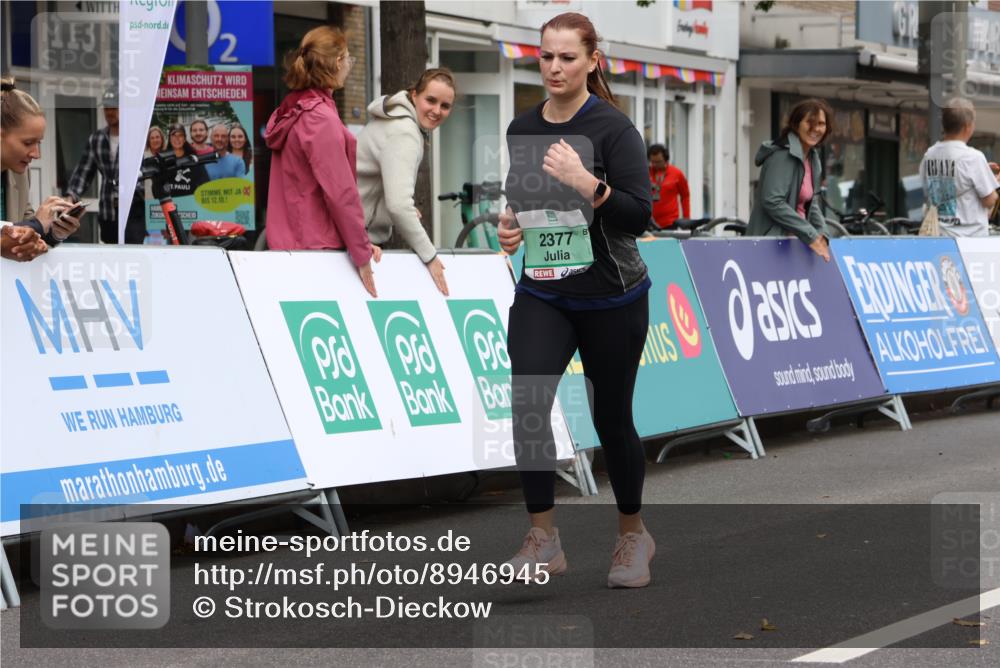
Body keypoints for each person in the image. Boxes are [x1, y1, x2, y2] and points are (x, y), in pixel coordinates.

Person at [496, 12, 655, 588]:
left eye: (567, 57)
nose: (555, 67)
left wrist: (588, 182)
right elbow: (526, 205)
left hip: (612, 294)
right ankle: (544, 538)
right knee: (527, 402)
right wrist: (509, 226)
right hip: (545, 289)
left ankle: (633, 537)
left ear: (592, 60)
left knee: (611, 417)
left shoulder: (614, 130)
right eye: (546, 56)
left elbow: (640, 216)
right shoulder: (521, 128)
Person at [264, 25, 378, 298]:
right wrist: (361, 252)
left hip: (288, 246)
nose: (350, 65)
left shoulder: (291, 111)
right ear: (338, 62)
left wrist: (359, 242)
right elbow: (340, 193)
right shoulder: (320, 118)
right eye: (349, 59)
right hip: (318, 249)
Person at [357, 68, 456, 295]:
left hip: (353, 237)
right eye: (430, 100)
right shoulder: (405, 133)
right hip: (356, 240)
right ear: (414, 95)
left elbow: (380, 186)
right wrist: (430, 256)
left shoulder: (396, 121)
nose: (436, 111)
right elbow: (399, 205)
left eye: (445, 106)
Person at [747, 98, 833, 261]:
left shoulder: (813, 158)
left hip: (793, 246)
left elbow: (811, 203)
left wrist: (822, 234)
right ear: (796, 124)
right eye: (810, 122)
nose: (816, 128)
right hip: (770, 247)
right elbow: (772, 201)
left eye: (821, 123)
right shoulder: (782, 155)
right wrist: (810, 234)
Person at [1, 76, 78, 258]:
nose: (36, 154)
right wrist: (37, 224)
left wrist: (54, 231)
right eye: (28, 143)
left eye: (39, 143)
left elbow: (22, 232)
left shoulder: (19, 174)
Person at [65, 87, 145, 244]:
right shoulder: (97, 138)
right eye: (107, 108)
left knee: (133, 254)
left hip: (133, 207)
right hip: (108, 209)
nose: (110, 112)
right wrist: (71, 196)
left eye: (114, 107)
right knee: (111, 254)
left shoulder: (138, 136)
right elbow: (84, 171)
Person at [919, 98, 999, 238]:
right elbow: (989, 200)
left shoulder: (929, 155)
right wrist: (995, 181)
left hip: (939, 235)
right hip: (969, 240)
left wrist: (982, 171)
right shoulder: (973, 158)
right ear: (968, 126)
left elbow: (929, 191)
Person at [159, 123, 210, 198]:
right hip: (169, 206)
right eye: (174, 135)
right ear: (169, 138)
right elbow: (157, 188)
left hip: (189, 205)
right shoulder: (162, 160)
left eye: (180, 135)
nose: (177, 138)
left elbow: (206, 185)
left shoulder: (194, 159)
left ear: (185, 138)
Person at [647, 143, 689, 229]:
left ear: (666, 159)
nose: (654, 165)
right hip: (649, 222)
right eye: (652, 162)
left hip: (670, 223)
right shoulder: (646, 173)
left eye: (658, 162)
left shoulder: (677, 173)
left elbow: (685, 196)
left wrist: (686, 219)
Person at [143, 126, 167, 202]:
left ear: (162, 139)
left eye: (157, 137)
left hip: (167, 199)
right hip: (149, 200)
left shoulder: (168, 155)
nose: (155, 140)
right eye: (152, 138)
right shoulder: (143, 158)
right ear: (148, 141)